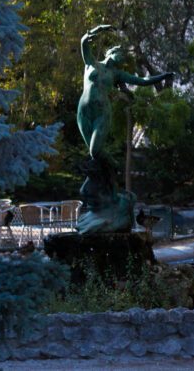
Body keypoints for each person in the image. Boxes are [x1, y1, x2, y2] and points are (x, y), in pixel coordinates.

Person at [76, 25, 173, 234]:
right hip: (83, 112)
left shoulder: (117, 74)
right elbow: (84, 44)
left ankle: (111, 178)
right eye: (120, 55)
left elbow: (142, 81)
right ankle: (102, 196)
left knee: (95, 151)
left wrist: (162, 76)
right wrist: (95, 31)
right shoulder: (92, 63)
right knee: (94, 159)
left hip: (102, 113)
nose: (122, 59)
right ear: (111, 53)